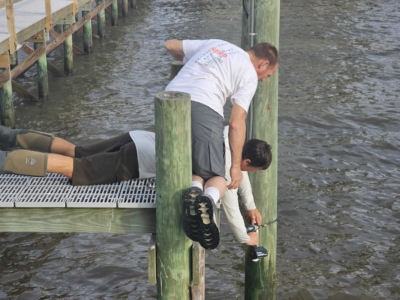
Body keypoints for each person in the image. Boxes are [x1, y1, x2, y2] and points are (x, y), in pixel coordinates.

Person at [0, 125, 271, 246]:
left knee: (77, 151)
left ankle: (9, 136)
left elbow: (241, 178)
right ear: (245, 160)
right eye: (251, 169)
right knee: (76, 169)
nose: (245, 174)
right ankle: (6, 160)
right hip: (138, 160)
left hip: (139, 137)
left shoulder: (221, 133)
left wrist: (253, 205)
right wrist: (246, 239)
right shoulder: (223, 168)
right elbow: (230, 205)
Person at [164, 39, 279, 248]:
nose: (263, 80)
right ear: (263, 65)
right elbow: (236, 123)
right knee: (217, 176)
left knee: (195, 165)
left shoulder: (215, 44)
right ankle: (205, 199)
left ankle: (195, 193)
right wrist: (235, 168)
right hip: (203, 107)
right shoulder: (249, 74)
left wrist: (192, 62)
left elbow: (170, 45)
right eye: (268, 75)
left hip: (167, 102)